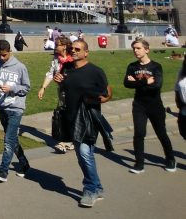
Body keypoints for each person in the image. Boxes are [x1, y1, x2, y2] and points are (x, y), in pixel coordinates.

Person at [54, 39, 111, 207]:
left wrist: (99, 100)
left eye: (77, 49)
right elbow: (66, 88)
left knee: (85, 153)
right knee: (82, 155)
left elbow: (108, 93)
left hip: (88, 118)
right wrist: (60, 82)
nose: (73, 51)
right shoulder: (67, 68)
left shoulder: (95, 71)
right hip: (71, 117)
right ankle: (98, 187)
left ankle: (90, 190)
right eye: (72, 49)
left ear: (86, 52)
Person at [123, 38, 176, 173]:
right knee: (139, 133)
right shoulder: (132, 66)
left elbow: (156, 86)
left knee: (161, 133)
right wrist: (146, 82)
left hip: (155, 105)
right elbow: (126, 84)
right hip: (139, 105)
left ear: (146, 49)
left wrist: (136, 82)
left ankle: (170, 159)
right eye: (134, 48)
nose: (135, 51)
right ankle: (139, 164)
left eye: (138, 48)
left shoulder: (156, 66)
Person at [0, 39, 31, 181]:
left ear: (10, 52)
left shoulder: (20, 67)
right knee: (12, 138)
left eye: (4, 55)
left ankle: (3, 171)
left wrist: (12, 88)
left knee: (8, 140)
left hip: (16, 108)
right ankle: (24, 164)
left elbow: (26, 88)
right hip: (2, 106)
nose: (2, 58)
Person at [37, 35, 74, 152]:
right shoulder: (56, 59)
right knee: (62, 114)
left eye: (57, 44)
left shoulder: (73, 58)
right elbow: (50, 73)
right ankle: (63, 142)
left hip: (74, 91)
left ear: (64, 46)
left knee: (72, 115)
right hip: (62, 92)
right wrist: (43, 88)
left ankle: (70, 141)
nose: (55, 46)